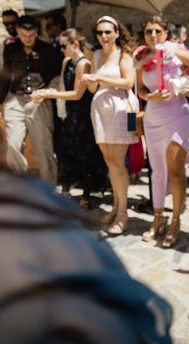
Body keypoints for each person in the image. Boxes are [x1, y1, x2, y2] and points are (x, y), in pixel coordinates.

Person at [0, 34, 173, 344]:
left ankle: (118, 207)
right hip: (82, 116)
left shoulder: (89, 61)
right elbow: (136, 326)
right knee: (108, 166)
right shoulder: (8, 214)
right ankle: (116, 207)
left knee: (113, 165)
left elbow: (93, 89)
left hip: (99, 115)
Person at [135, 16, 189, 247]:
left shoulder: (175, 52)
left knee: (175, 168)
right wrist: (148, 96)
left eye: (157, 31)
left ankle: (175, 220)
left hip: (176, 114)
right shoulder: (141, 56)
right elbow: (140, 88)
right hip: (153, 117)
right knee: (157, 170)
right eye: (148, 31)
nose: (152, 35)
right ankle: (157, 218)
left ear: (165, 33)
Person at [31, 29, 108, 209]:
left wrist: (52, 95)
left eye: (64, 46)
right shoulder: (67, 61)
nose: (61, 49)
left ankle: (86, 194)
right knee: (65, 151)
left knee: (84, 154)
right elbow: (61, 84)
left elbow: (77, 93)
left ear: (75, 44)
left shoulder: (84, 64)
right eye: (60, 46)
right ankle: (66, 190)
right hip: (68, 113)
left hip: (82, 114)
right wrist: (47, 92)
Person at [82, 15, 138, 235]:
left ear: (116, 32)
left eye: (107, 32)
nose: (103, 36)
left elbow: (128, 82)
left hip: (119, 110)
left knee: (117, 163)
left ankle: (123, 212)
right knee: (109, 162)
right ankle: (116, 206)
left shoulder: (124, 54)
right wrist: (89, 80)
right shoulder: (95, 55)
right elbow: (93, 90)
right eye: (100, 32)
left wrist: (99, 79)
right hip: (100, 111)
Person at [0, 15, 61, 183]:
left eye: (31, 35)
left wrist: (48, 92)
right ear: (17, 32)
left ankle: (49, 189)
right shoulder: (10, 49)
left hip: (40, 101)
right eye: (24, 36)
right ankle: (16, 187)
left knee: (44, 148)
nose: (28, 39)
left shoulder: (48, 49)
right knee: (13, 145)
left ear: (36, 31)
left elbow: (58, 75)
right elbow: (5, 78)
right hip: (16, 100)